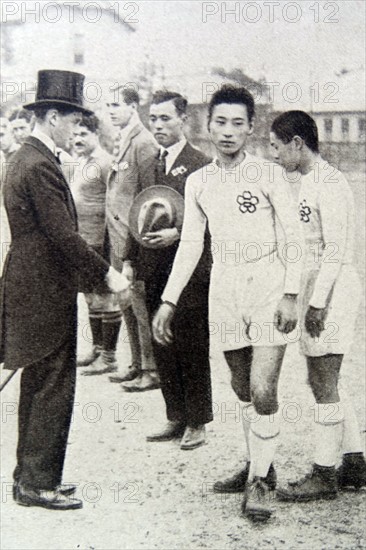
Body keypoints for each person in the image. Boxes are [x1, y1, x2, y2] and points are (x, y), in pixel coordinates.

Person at [152, 85, 303, 520]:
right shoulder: (199, 181)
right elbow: (191, 246)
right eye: (221, 122)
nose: (228, 131)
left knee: (263, 388)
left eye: (239, 123)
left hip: (270, 285)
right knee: (240, 387)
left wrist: (292, 294)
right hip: (225, 287)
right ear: (207, 124)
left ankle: (258, 483)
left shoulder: (269, 175)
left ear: (251, 128)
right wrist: (168, 300)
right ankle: (261, 464)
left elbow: (293, 237)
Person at [0, 70, 129, 511]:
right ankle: (38, 485)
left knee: (39, 384)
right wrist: (107, 275)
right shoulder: (38, 164)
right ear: (51, 115)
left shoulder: (29, 157)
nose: (77, 127)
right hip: (44, 291)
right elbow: (64, 236)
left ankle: (28, 478)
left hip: (32, 286)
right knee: (53, 387)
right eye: (72, 117)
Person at [269, 110, 366, 501]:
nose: (273, 155)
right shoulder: (306, 181)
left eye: (276, 147)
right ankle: (355, 460)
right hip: (315, 289)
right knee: (324, 379)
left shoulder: (330, 182)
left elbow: (336, 251)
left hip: (333, 290)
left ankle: (325, 473)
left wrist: (318, 303)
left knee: (323, 381)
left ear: (296, 143)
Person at [126, 90, 213, 444]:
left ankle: (198, 421)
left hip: (189, 271)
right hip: (153, 267)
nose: (158, 125)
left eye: (165, 118)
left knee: (191, 343)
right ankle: (175, 415)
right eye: (154, 118)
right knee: (162, 343)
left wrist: (179, 233)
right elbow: (138, 211)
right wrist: (130, 259)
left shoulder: (201, 164)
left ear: (183, 120)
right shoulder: (148, 163)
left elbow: (212, 223)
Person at [103, 85, 159, 386]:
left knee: (140, 302)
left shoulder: (143, 142)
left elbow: (149, 198)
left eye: (116, 104)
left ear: (133, 106)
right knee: (125, 300)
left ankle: (152, 369)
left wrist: (138, 244)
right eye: (108, 105)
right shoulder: (123, 138)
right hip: (116, 237)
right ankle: (137, 363)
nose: (110, 110)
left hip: (134, 240)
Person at [70, 114, 123, 375]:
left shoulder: (104, 162)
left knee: (106, 299)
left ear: (96, 136)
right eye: (76, 134)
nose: (78, 139)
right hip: (84, 241)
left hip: (100, 242)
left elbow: (113, 203)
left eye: (84, 135)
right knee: (91, 299)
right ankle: (98, 349)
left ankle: (110, 357)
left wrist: (111, 246)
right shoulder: (82, 162)